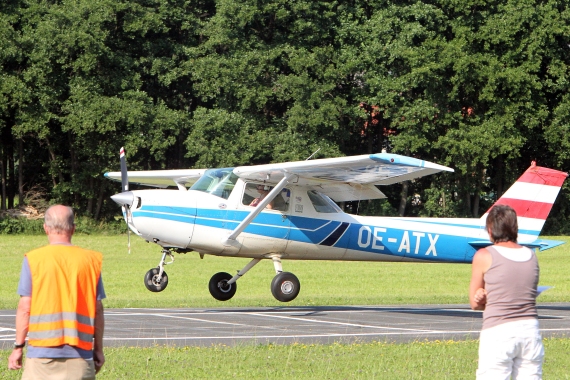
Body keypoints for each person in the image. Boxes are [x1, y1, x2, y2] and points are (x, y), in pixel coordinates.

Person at [8, 205, 106, 379]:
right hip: (80, 355)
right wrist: (98, 349)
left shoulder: (34, 259)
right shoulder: (91, 261)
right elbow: (97, 309)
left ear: (46, 228)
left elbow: (25, 307)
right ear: (73, 228)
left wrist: (18, 347)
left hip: (41, 356)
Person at [470, 205, 544, 379]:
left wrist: (484, 296)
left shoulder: (484, 255)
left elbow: (475, 304)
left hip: (498, 332)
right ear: (514, 228)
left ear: (490, 230)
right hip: (530, 331)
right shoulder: (531, 255)